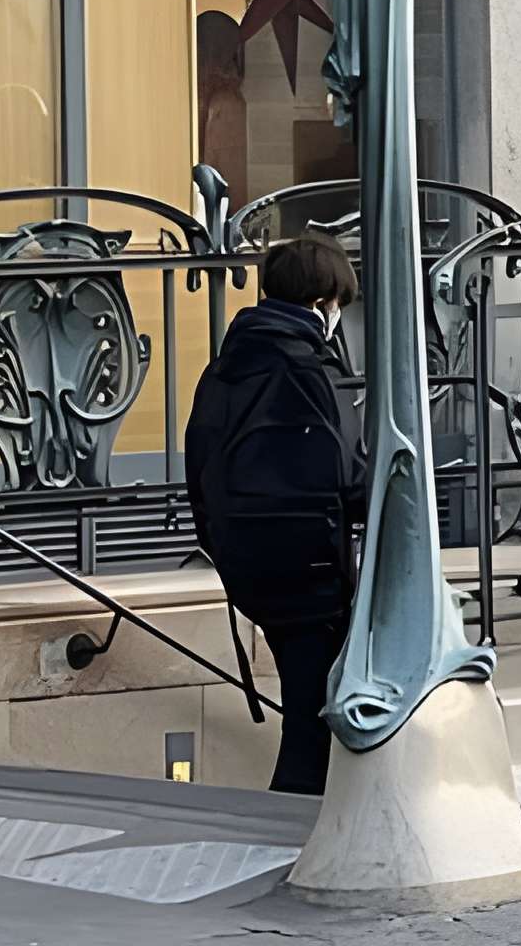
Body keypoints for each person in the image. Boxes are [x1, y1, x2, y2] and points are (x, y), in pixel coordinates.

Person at [186, 233, 366, 795]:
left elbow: (200, 464)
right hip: (312, 572)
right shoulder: (308, 367)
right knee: (313, 721)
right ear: (323, 302)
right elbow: (341, 473)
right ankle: (292, 830)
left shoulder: (228, 364)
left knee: (304, 707)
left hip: (250, 567)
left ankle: (295, 819)